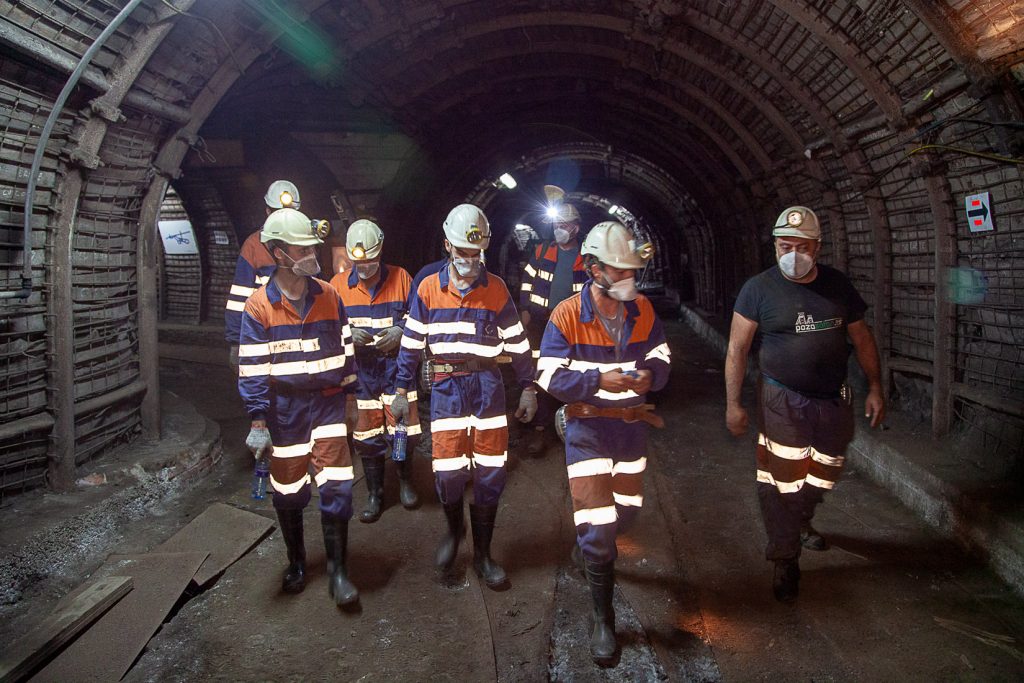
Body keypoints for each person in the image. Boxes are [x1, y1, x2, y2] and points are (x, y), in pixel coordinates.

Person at [725, 206, 885, 603]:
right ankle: (785, 558)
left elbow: (862, 340)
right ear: (774, 246)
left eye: (800, 246)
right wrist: (733, 403)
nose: (791, 253)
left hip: (833, 398)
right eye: (784, 246)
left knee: (825, 470)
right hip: (782, 397)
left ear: (817, 247)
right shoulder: (758, 289)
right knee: (784, 478)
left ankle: (800, 519)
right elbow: (737, 349)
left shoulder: (838, 286)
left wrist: (877, 387)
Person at [537, 221, 670, 665]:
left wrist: (653, 374)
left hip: (631, 428)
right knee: (598, 521)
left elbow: (662, 355)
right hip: (588, 429)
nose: (629, 279)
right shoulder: (567, 315)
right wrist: (598, 379)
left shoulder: (643, 310)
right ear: (594, 269)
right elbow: (549, 376)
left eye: (632, 271)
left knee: (625, 514)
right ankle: (603, 619)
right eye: (620, 271)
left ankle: (593, 547)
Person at [391, 204, 538, 589]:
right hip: (445, 389)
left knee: (490, 470)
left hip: (487, 387)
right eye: (463, 252)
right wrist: (401, 390)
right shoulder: (427, 289)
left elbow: (519, 345)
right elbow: (409, 346)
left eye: (477, 254)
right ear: (447, 246)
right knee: (448, 471)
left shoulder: (496, 289)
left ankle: (485, 555)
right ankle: (454, 533)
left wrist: (528, 387)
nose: (470, 260)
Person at [238, 207, 362, 607]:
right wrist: (258, 419)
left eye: (312, 246)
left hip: (327, 405)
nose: (312, 254)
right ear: (278, 253)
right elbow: (253, 369)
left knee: (338, 487)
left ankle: (338, 572)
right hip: (284, 410)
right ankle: (296, 562)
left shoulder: (329, 295)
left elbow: (345, 351)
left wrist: (350, 396)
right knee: (289, 491)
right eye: (302, 248)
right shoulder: (259, 307)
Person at [330, 219, 420, 523]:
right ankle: (374, 494)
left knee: (401, 429)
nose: (364, 266)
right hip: (362, 372)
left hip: (396, 368)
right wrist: (348, 335)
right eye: (359, 261)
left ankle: (405, 481)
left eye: (370, 260)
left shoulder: (402, 278)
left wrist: (400, 329)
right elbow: (326, 328)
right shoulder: (338, 286)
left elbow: (420, 319)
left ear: (380, 253)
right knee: (367, 434)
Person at [519, 203, 589, 456]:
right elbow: (527, 279)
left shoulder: (587, 255)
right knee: (542, 374)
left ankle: (576, 430)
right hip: (542, 322)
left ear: (576, 228)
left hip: (576, 326)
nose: (560, 229)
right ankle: (541, 430)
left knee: (574, 374)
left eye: (565, 225)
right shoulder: (542, 250)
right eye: (557, 224)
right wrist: (525, 309)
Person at [225, 180, 301, 366]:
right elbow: (239, 299)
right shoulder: (254, 246)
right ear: (267, 211)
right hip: (265, 330)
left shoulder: (305, 245)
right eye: (278, 212)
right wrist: (236, 342)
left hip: (300, 329)